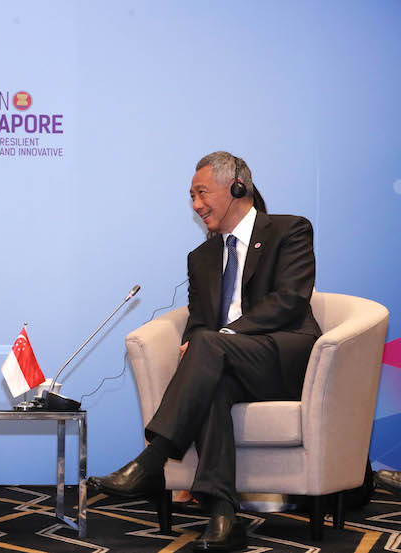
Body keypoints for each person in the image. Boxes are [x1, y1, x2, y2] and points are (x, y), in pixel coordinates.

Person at [89, 151, 321, 552]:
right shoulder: (201, 258)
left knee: (210, 344)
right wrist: (201, 340)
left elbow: (290, 301)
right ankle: (223, 517)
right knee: (211, 375)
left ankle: (152, 460)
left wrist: (221, 335)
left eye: (201, 193)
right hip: (228, 364)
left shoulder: (289, 230)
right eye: (190, 196)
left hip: (283, 360)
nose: (196, 205)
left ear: (237, 188)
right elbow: (199, 320)